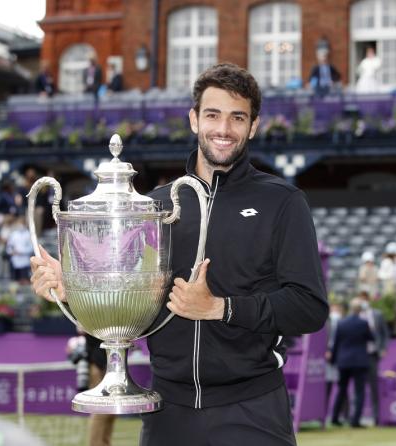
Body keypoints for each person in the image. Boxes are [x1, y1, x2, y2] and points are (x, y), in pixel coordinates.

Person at [31, 63, 328, 446]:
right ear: (194, 119)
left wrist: (220, 307)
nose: (223, 129)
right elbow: (137, 305)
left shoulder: (282, 202)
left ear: (253, 126)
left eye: (237, 117)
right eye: (213, 115)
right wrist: (76, 289)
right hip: (168, 412)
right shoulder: (154, 207)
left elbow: (309, 307)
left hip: (252, 410)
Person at [329, 298, 373, 427]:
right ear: (360, 310)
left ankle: (335, 418)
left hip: (344, 361)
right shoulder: (363, 323)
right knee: (359, 391)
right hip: (359, 361)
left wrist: (333, 360)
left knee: (341, 389)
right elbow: (372, 338)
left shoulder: (341, 323)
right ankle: (355, 421)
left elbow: (336, 343)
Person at [357, 291, 389, 425]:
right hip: (359, 354)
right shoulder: (355, 315)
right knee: (358, 387)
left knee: (373, 385)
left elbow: (384, 333)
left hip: (372, 354)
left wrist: (382, 348)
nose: (363, 301)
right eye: (361, 299)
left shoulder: (377, 314)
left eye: (365, 299)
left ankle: (376, 417)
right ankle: (356, 417)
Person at [6, 216, 34, 284]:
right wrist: (11, 252)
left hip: (25, 261)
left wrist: (21, 252)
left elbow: (31, 248)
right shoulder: (13, 234)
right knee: (15, 281)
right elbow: (9, 247)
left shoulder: (28, 234)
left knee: (25, 280)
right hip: (15, 261)